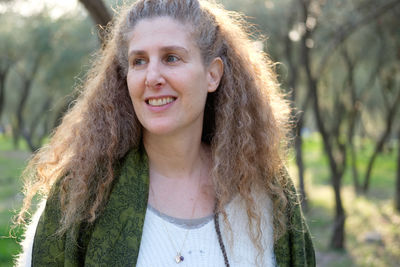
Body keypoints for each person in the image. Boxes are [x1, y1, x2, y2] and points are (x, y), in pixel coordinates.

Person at [15, 0, 315, 266]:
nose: (152, 77)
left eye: (171, 57)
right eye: (139, 61)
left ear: (213, 74)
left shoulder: (265, 191)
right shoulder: (81, 193)